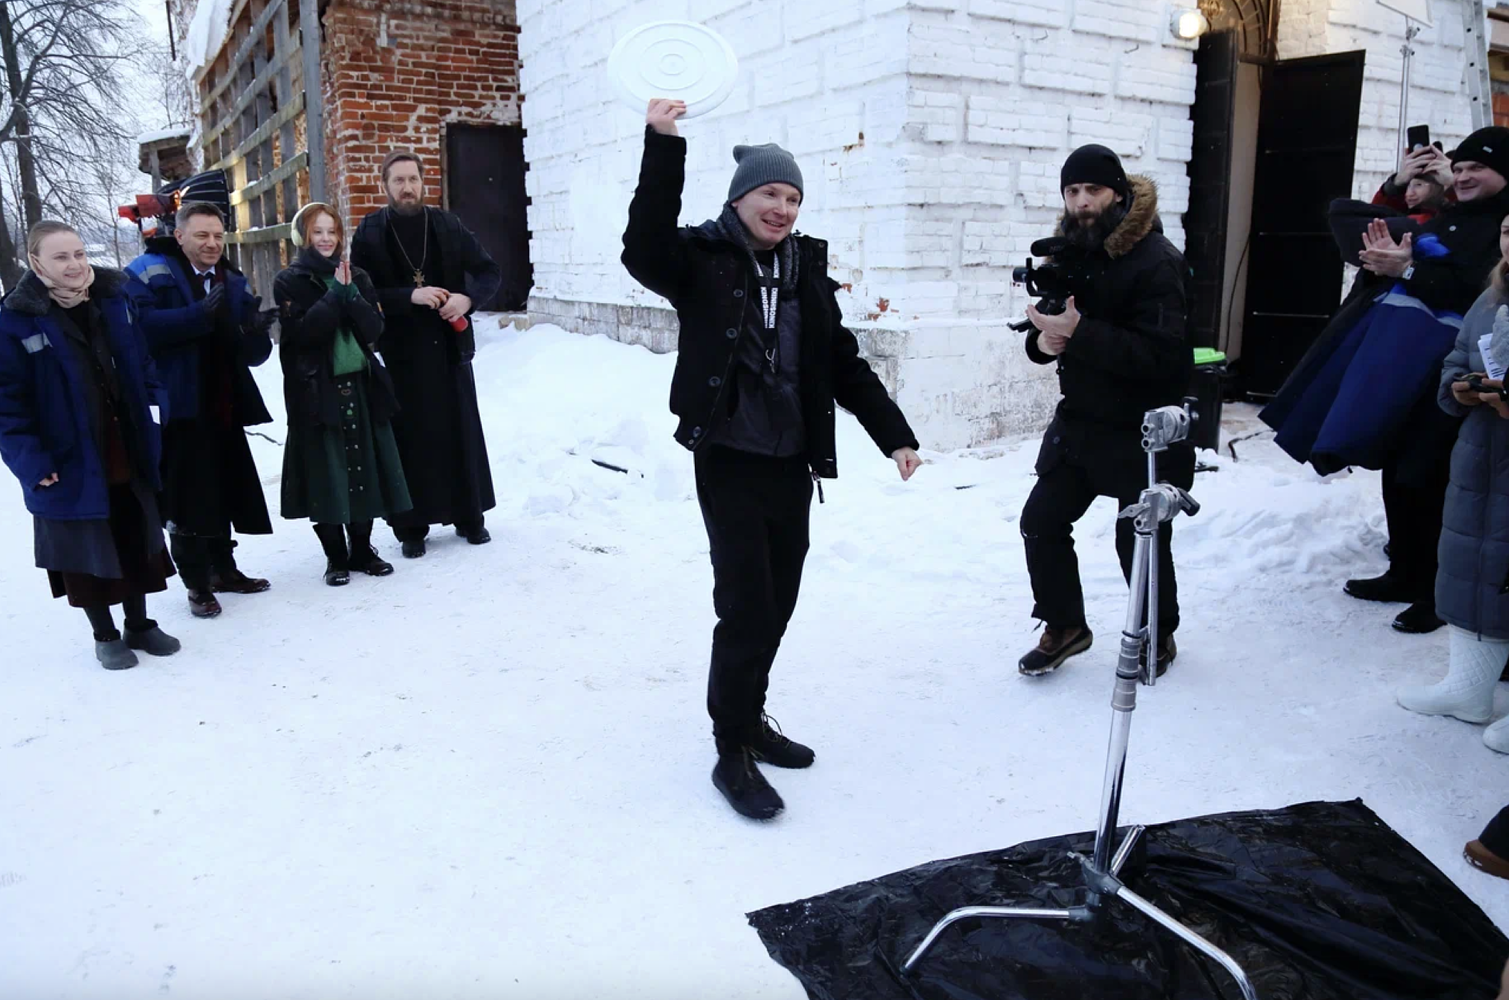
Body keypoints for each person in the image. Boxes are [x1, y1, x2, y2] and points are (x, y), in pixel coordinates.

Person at [622, 99, 923, 821]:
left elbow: (842, 362)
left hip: (791, 464)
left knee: (778, 604)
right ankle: (730, 746)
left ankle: (750, 718)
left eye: (792, 197)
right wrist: (663, 143)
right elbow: (642, 245)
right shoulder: (700, 259)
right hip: (729, 459)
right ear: (739, 198)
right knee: (745, 606)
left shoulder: (805, 269)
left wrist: (895, 434)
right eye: (770, 193)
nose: (782, 208)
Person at [1263, 126, 1509, 635]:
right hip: (1407, 363)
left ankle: (1438, 593)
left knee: (1431, 475)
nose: (1464, 177)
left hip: (1460, 371)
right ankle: (1405, 572)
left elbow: (1477, 289)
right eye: (1459, 168)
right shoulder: (1452, 214)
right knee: (1399, 467)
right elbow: (1351, 218)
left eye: (1477, 168)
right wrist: (1388, 247)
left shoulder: (1500, 225)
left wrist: (1411, 270)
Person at [1016, 144, 1193, 679]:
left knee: (1137, 537)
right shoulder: (1069, 254)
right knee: (1041, 521)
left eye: (1092, 189)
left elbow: (1163, 357)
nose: (1081, 201)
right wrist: (1044, 342)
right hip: (1082, 423)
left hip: (1143, 427)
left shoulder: (1157, 260)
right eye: (1072, 191)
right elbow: (1047, 330)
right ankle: (1065, 625)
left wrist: (1080, 334)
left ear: (1117, 193)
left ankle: (1157, 631)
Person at [0, 222, 180, 669]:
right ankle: (105, 634)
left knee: (135, 535)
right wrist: (31, 462)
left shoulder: (113, 300)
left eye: (79, 254)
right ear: (36, 262)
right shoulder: (15, 320)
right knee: (86, 546)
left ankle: (140, 624)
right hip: (68, 457)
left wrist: (155, 410)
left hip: (126, 445)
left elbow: (144, 365)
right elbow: (7, 405)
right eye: (61, 257)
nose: (75, 265)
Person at [125, 201, 276, 619]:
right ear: (179, 236)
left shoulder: (232, 279)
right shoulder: (146, 271)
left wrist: (254, 332)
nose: (212, 244)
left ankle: (224, 569)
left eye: (218, 236)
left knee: (224, 488)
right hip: (178, 406)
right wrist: (197, 315)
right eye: (202, 235)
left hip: (224, 404)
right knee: (188, 497)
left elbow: (253, 356)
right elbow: (139, 329)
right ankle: (197, 582)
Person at [350, 150, 501, 559]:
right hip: (400, 352)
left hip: (448, 348)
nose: (407, 187)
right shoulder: (370, 232)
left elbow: (489, 272)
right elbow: (360, 292)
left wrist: (468, 300)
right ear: (385, 185)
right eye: (398, 180)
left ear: (423, 182)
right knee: (410, 438)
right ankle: (412, 526)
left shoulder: (447, 225)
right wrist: (409, 296)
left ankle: (469, 516)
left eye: (413, 179)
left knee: (459, 431)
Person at [1394, 219, 1509, 752]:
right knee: (1471, 567)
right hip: (1481, 456)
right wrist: (1461, 388)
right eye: (1506, 230)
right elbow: (1458, 358)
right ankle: (1468, 689)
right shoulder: (1491, 297)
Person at [274, 203, 412, 585]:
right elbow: (305, 334)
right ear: (303, 236)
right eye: (317, 231)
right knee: (328, 473)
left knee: (362, 467)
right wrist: (335, 294)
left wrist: (351, 293)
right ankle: (335, 558)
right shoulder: (290, 281)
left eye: (332, 231)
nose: (326, 239)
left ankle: (363, 550)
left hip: (360, 386)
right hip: (317, 390)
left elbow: (374, 329)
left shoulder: (358, 276)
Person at [1372, 142, 1451, 225]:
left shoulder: (1443, 217)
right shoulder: (1398, 210)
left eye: (1418, 185)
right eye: (1407, 186)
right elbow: (1375, 216)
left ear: (1439, 186)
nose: (1409, 194)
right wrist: (1393, 186)